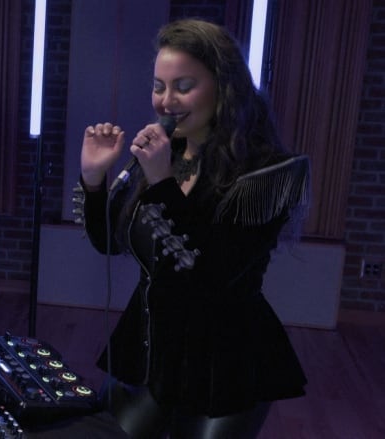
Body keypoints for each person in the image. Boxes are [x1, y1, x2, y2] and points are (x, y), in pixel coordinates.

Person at [77, 19, 309, 438]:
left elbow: (211, 273)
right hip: (150, 353)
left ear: (224, 87)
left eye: (183, 85)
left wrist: (163, 183)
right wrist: (94, 180)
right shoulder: (164, 155)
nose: (165, 101)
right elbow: (109, 243)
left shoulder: (270, 171)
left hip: (226, 362)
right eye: (158, 86)